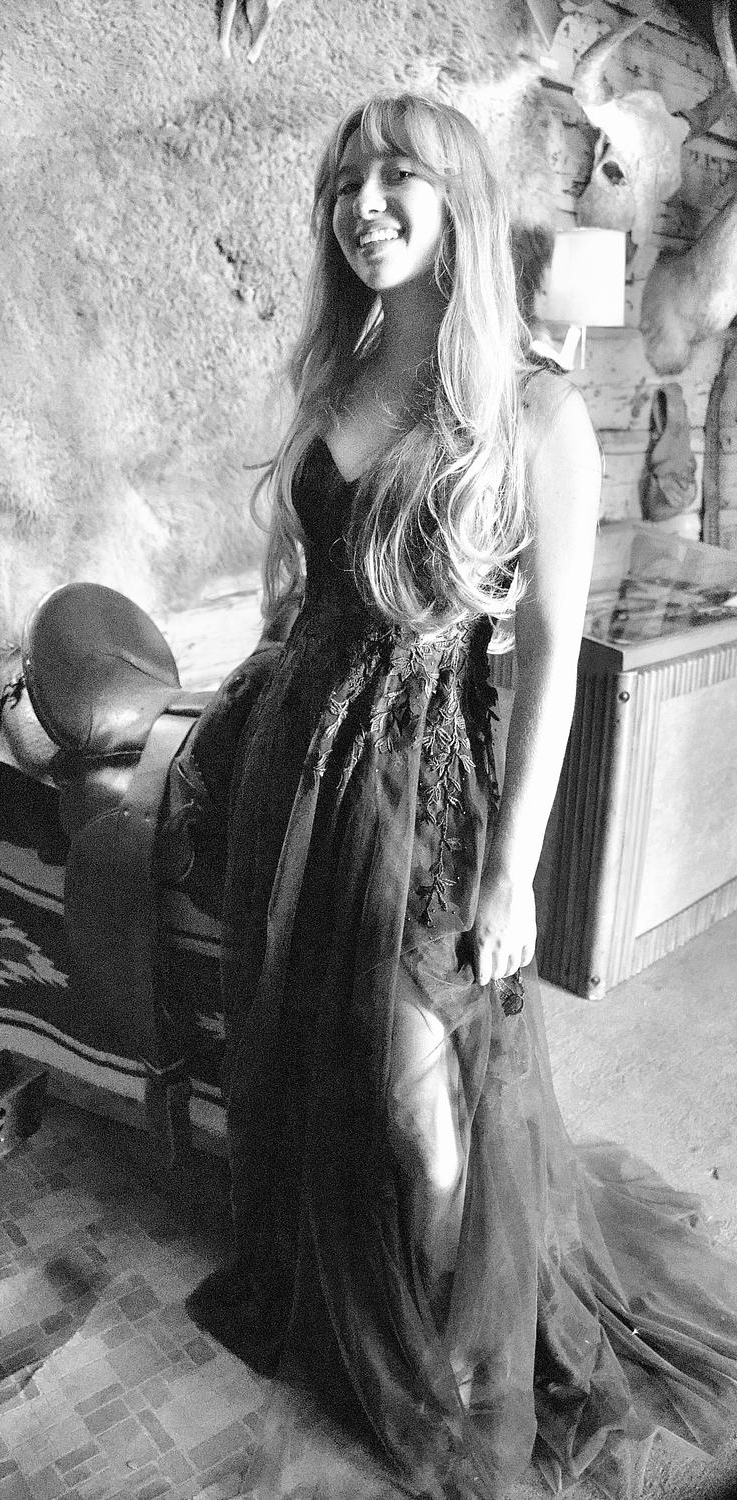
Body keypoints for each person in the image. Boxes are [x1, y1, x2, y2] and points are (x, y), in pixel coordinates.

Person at [177, 91, 737, 1498]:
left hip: (419, 778)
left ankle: (454, 1370)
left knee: (421, 1102)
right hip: (299, 757)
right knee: (305, 1039)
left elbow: (548, 658)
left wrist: (512, 872)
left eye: (395, 178)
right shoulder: (335, 375)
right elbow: (300, 581)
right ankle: (343, 1281)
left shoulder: (535, 410)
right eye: (344, 183)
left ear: (460, 203)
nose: (362, 205)